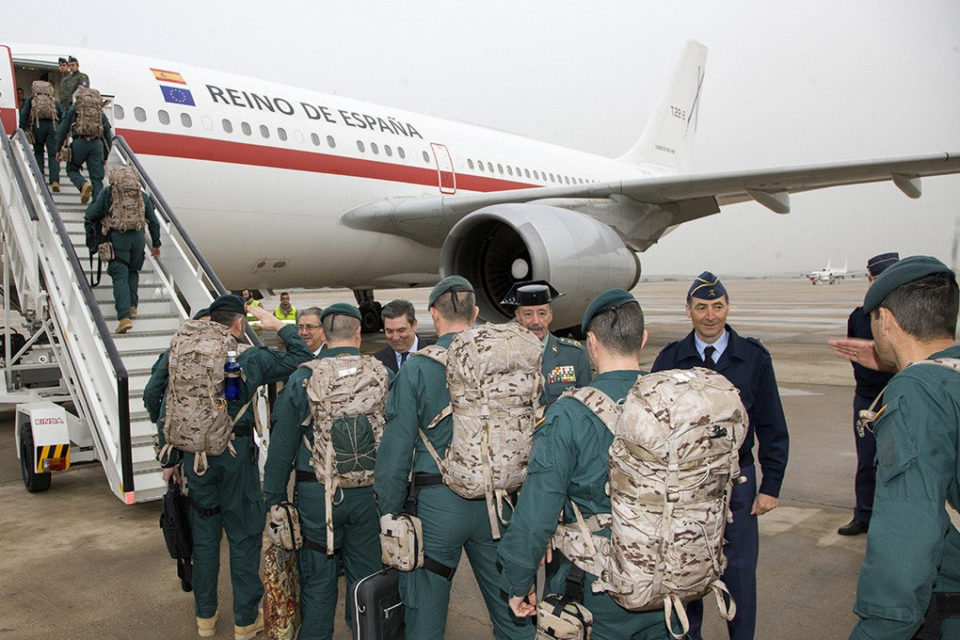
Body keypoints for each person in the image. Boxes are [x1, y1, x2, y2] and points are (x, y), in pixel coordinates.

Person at [499, 288, 671, 639]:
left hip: (596, 584)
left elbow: (537, 510)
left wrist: (517, 581)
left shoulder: (570, 414)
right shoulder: (672, 404)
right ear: (643, 339)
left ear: (591, 343)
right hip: (667, 578)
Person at [374, 276, 533, 640]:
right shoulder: (503, 361)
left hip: (438, 507)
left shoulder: (417, 367)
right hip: (497, 505)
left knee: (425, 615)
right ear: (475, 313)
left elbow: (396, 452)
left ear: (432, 314)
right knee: (512, 611)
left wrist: (389, 509)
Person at [145, 295, 312, 639]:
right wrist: (279, 325)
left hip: (195, 457)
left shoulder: (179, 354)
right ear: (238, 324)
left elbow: (153, 395)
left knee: (204, 539)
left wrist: (173, 453)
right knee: (244, 536)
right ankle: (245, 621)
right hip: (235, 456)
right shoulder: (250, 359)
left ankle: (205, 620)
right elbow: (302, 357)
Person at [827, 256, 960, 639]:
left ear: (885, 320)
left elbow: (909, 532)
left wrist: (879, 628)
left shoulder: (914, 395)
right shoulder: (943, 379)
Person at [652, 271, 789, 640]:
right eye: (701, 307)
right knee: (686, 572)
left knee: (740, 575)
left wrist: (771, 485)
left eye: (717, 306)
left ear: (728, 307)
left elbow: (772, 425)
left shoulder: (753, 358)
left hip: (738, 482)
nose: (710, 315)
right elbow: (654, 428)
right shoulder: (670, 360)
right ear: (688, 311)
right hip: (687, 488)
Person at [264, 302, 389, 640]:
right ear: (358, 333)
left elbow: (282, 443)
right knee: (367, 581)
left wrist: (274, 498)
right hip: (368, 495)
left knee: (318, 583)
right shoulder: (379, 372)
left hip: (319, 498)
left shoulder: (304, 377)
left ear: (324, 333)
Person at [837, 252, 899, 537]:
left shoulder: (905, 317)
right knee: (866, 461)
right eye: (874, 279)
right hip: (867, 399)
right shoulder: (859, 317)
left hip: (899, 398)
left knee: (897, 462)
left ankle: (894, 519)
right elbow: (854, 353)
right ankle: (864, 514)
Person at [84, 167, 161, 333]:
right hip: (138, 239)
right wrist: (156, 244)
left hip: (119, 238)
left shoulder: (108, 193)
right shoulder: (141, 195)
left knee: (119, 275)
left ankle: (124, 317)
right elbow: (154, 221)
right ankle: (133, 305)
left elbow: (90, 214)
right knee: (133, 272)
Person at [500, 280, 591, 403]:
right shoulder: (502, 355)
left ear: (550, 316)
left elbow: (585, 405)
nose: (536, 321)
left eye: (542, 313)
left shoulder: (574, 355)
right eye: (528, 314)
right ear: (518, 316)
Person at [55, 86, 112, 204]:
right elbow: (108, 135)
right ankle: (96, 208)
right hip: (97, 145)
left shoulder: (75, 109)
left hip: (79, 143)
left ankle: (83, 184)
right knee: (97, 179)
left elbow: (62, 130)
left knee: (71, 169)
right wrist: (105, 156)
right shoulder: (100, 112)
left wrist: (58, 149)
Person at [19, 80, 62, 192]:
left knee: (38, 152)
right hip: (53, 127)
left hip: (37, 126)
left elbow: (24, 114)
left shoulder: (31, 100)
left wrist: (22, 128)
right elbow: (62, 116)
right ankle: (55, 181)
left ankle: (40, 177)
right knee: (53, 154)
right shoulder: (53, 101)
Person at [372, 299, 435, 372]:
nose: (395, 337)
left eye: (401, 330)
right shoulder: (376, 362)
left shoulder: (437, 354)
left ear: (414, 325)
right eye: (390, 331)